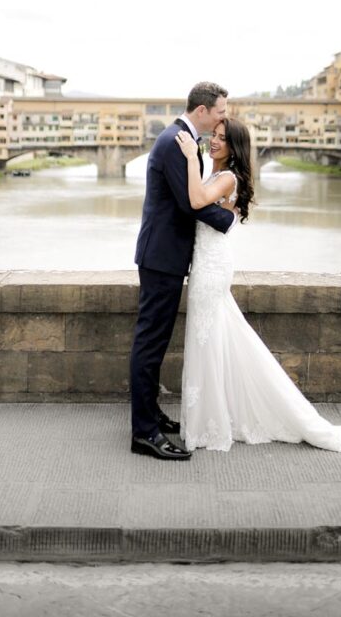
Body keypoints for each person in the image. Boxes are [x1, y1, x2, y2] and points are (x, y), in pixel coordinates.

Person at [175, 117, 341, 463]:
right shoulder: (215, 172)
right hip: (205, 263)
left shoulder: (228, 177)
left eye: (221, 138)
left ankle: (209, 424)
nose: (214, 141)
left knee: (209, 337)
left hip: (212, 267)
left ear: (234, 147)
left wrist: (191, 157)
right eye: (213, 136)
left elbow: (197, 200)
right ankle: (209, 419)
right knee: (214, 338)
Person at [130, 81, 236, 461]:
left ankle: (151, 415)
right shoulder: (176, 141)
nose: (224, 117)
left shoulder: (184, 140)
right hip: (162, 258)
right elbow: (191, 203)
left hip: (166, 256)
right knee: (150, 344)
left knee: (155, 344)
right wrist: (228, 218)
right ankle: (144, 433)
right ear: (203, 110)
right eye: (221, 111)